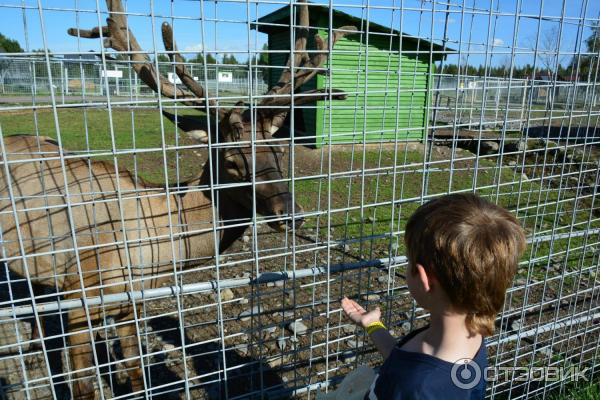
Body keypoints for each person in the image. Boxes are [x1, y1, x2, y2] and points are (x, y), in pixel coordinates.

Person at [341, 193, 527, 399]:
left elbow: (409, 378)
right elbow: (402, 363)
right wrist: (373, 325)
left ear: (423, 279)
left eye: (409, 260)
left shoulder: (418, 389)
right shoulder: (469, 334)